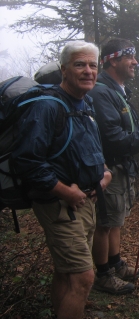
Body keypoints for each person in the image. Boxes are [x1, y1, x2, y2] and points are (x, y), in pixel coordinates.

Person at [11, 41, 112, 319]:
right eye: (80, 65)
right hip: (61, 205)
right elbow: (27, 160)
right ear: (64, 69)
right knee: (83, 278)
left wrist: (104, 172)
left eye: (93, 65)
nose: (88, 71)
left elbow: (88, 146)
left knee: (67, 273)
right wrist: (66, 192)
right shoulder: (46, 106)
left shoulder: (84, 103)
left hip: (85, 201)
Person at [89, 38, 139, 294]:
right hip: (109, 169)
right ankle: (103, 275)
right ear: (113, 59)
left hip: (120, 168)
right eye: (130, 57)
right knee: (105, 223)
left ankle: (116, 264)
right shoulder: (101, 92)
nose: (136, 62)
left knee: (115, 220)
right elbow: (111, 139)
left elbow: (124, 130)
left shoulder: (117, 91)